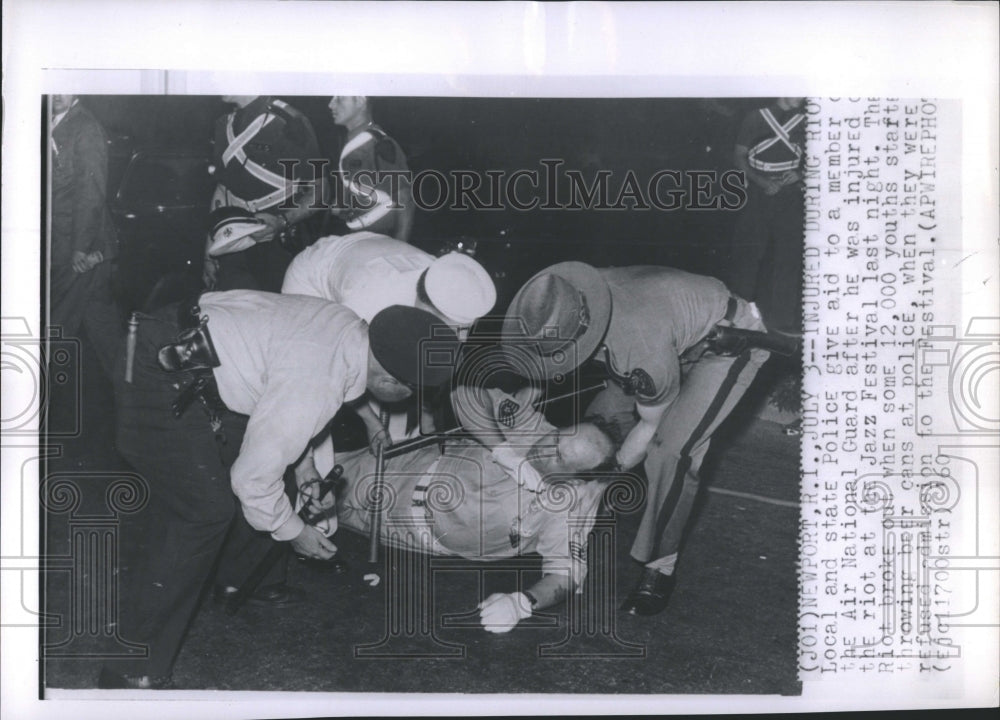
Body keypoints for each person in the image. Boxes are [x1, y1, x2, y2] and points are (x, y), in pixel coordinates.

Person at [98, 294, 459, 689]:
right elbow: (252, 477)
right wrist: (293, 532)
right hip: (159, 364)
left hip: (195, 356)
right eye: (415, 390)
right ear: (391, 382)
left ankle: (234, 581)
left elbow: (281, 396)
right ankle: (130, 666)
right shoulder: (318, 379)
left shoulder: (349, 329)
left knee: (269, 479)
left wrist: (304, 470)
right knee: (203, 511)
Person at [503, 262, 770, 617]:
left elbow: (649, 426)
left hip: (727, 342)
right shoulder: (567, 295)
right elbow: (557, 351)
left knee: (670, 451)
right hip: (668, 334)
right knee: (599, 426)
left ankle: (661, 566)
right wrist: (530, 388)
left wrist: (605, 478)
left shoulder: (637, 346)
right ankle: (570, 523)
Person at [314, 383, 615, 633]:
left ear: (575, 479)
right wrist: (504, 451)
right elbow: (465, 395)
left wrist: (522, 603)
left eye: (560, 458)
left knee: (311, 518)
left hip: (409, 528)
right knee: (301, 475)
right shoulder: (533, 426)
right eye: (558, 436)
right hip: (397, 466)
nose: (546, 448)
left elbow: (566, 574)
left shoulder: (567, 504)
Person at [283, 231, 496, 445]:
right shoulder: (369, 304)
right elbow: (340, 372)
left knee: (401, 410)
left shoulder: (450, 288)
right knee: (315, 395)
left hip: (370, 251)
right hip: (315, 276)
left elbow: (455, 380)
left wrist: (428, 421)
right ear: (427, 313)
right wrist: (371, 421)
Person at [203, 95, 326, 292]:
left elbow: (320, 189)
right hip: (233, 244)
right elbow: (223, 189)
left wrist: (282, 221)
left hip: (279, 246)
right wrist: (209, 253)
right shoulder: (223, 124)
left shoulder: (290, 122)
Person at [49, 94, 122, 378]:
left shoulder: (85, 127)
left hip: (78, 249)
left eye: (64, 87)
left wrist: (81, 247)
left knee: (54, 325)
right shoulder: (54, 123)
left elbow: (91, 192)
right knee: (103, 328)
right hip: (68, 244)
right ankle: (136, 397)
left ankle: (28, 398)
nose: (56, 94)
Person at [729, 97, 806, 335]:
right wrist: (761, 182)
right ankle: (736, 319)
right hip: (759, 195)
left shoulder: (807, 121)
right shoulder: (756, 118)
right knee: (749, 256)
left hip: (791, 195)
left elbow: (819, 156)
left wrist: (800, 174)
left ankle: (781, 322)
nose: (803, 98)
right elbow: (739, 157)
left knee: (789, 258)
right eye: (798, 93)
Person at [327, 96, 414, 242]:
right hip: (357, 236)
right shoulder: (354, 141)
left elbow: (405, 199)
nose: (330, 104)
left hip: (382, 239)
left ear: (361, 101)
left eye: (340, 99)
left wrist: (399, 246)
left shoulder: (379, 145)